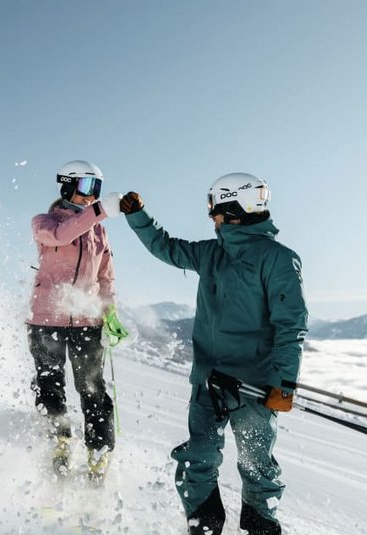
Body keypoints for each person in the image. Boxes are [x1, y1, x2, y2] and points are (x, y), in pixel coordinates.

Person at [119, 174, 307, 535]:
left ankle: (261, 526)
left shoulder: (278, 260)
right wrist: (138, 216)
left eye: (214, 208)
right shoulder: (211, 254)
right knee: (198, 458)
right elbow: (166, 247)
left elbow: (291, 324)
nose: (211, 216)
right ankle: (203, 526)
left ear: (233, 208)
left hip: (253, 385)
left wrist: (284, 382)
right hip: (208, 380)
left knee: (256, 464)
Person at [26, 160, 123, 481]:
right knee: (49, 383)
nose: (91, 196)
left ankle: (99, 451)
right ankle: (59, 440)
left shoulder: (98, 229)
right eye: (85, 187)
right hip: (47, 319)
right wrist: (99, 211)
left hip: (87, 321)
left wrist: (109, 311)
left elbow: (105, 274)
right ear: (66, 185)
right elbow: (60, 235)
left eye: (96, 189)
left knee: (92, 387)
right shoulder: (45, 222)